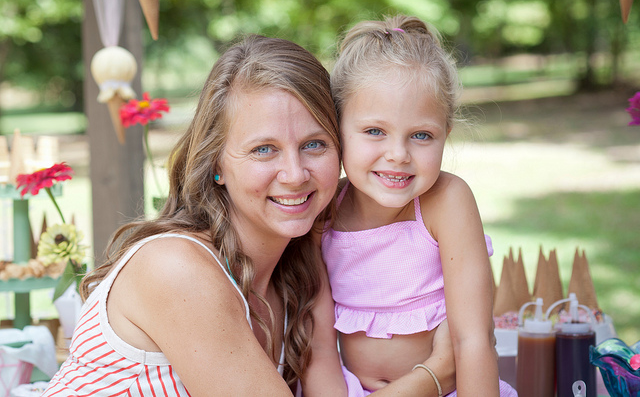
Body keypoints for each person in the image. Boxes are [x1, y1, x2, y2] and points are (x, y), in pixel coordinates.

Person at [42, 35, 455, 396]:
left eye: (314, 144)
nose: (295, 174)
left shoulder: (300, 281)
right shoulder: (176, 268)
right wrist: (436, 374)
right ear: (216, 164)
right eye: (263, 149)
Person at [311, 15, 519, 396]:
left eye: (421, 136)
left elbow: (474, 340)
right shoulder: (324, 212)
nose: (397, 155)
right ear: (337, 127)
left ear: (446, 135)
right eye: (375, 131)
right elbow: (319, 346)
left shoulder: (445, 202)